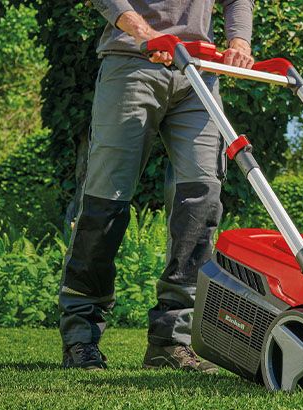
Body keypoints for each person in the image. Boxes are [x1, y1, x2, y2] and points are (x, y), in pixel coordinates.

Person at [59, 0, 254, 371]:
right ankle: (80, 334)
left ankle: (171, 339)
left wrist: (239, 42)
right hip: (134, 63)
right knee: (106, 202)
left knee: (201, 202)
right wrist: (145, 33)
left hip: (199, 71)